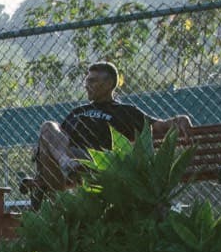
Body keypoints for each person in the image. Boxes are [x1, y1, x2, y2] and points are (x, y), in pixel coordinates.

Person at [29, 60, 193, 202]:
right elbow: (56, 138)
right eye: (87, 81)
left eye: (92, 81)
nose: (87, 85)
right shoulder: (77, 111)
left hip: (97, 163)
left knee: (50, 150)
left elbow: (159, 126)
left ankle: (55, 207)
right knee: (48, 126)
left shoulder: (124, 111)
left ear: (108, 84)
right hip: (66, 161)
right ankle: (65, 168)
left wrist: (180, 119)